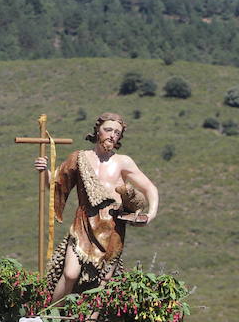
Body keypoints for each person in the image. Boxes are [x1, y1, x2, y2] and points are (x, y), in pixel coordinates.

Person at [34, 111, 160, 304]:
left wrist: (151, 214)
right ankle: (48, 315)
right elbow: (55, 184)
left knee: (104, 280)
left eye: (117, 132)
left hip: (112, 226)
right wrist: (44, 171)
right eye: (108, 129)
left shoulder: (122, 162)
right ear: (97, 131)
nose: (112, 135)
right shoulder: (79, 158)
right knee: (70, 273)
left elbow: (149, 187)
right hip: (83, 224)